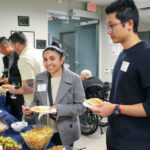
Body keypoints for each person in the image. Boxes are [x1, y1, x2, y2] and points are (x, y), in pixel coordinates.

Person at [89, 0, 150, 150]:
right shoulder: (123, 54)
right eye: (107, 26)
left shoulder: (146, 55)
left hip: (135, 141)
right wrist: (107, 108)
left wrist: (115, 108)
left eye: (111, 25)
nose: (108, 31)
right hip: (115, 136)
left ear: (129, 24)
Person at [23, 42, 86, 146]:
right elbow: (36, 100)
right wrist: (31, 109)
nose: (48, 63)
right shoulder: (39, 78)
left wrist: (59, 109)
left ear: (61, 60)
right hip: (44, 129)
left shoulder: (74, 79)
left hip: (65, 129)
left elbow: (81, 107)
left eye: (52, 58)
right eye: (45, 59)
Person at [8, 32, 45, 106]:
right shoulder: (38, 53)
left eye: (12, 46)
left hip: (33, 104)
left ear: (17, 45)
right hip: (44, 100)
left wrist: (13, 91)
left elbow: (29, 89)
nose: (13, 50)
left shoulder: (24, 58)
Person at [0, 37, 24, 120]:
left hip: (20, 93)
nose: (0, 53)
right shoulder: (5, 58)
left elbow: (23, 76)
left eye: (0, 50)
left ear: (4, 46)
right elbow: (6, 73)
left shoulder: (20, 56)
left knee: (20, 116)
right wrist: (3, 78)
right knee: (12, 116)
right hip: (10, 93)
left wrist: (9, 79)